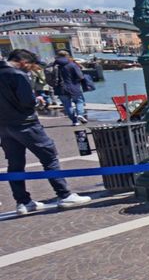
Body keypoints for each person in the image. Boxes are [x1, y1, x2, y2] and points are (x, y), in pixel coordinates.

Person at [1, 49, 90, 213]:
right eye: (29, 66)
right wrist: (37, 100)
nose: (29, 69)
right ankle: (64, 195)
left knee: (15, 164)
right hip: (27, 124)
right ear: (23, 62)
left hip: (4, 127)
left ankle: (23, 202)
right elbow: (27, 102)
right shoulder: (18, 75)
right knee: (49, 157)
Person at [52, 50, 87, 125]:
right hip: (73, 87)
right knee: (79, 101)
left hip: (60, 88)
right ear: (67, 56)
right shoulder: (72, 64)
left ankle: (74, 121)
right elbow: (80, 76)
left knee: (67, 105)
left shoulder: (53, 65)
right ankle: (80, 114)